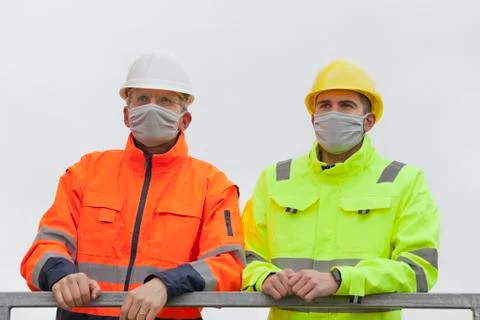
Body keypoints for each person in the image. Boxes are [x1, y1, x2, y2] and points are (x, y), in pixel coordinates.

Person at [21, 52, 245, 320]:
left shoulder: (213, 185)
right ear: (127, 115)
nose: (152, 108)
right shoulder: (86, 172)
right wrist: (61, 276)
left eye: (165, 101)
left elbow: (228, 265)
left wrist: (166, 284)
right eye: (142, 99)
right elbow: (45, 246)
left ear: (185, 120)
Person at [242, 59, 439, 320]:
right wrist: (263, 277)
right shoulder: (275, 179)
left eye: (346, 106)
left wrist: (341, 280)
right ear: (313, 118)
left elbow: (419, 270)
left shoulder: (405, 181)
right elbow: (243, 255)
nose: (333, 114)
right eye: (325, 106)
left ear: (368, 121)